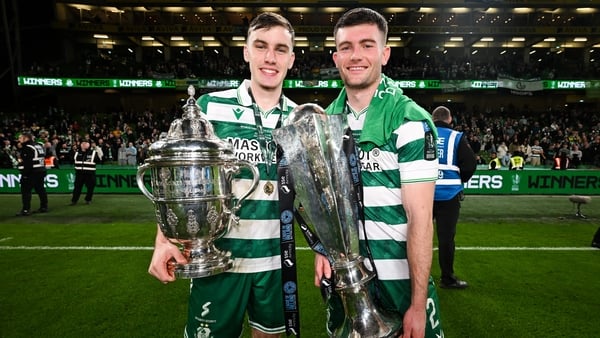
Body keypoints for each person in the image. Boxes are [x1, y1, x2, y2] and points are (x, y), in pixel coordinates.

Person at [148, 12, 296, 338]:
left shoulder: (299, 119)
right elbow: (178, 185)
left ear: (291, 58)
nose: (270, 58)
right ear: (245, 51)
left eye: (280, 49)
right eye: (261, 46)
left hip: (274, 264)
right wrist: (163, 242)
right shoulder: (209, 108)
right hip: (219, 261)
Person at [316, 8, 443, 337]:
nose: (355, 56)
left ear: (385, 54)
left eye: (367, 45)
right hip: (349, 290)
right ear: (335, 57)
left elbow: (420, 218)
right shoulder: (328, 119)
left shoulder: (410, 120)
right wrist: (323, 249)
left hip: (400, 287)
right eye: (346, 47)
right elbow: (330, 207)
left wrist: (417, 305)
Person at [431, 106, 477, 289]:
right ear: (450, 120)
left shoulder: (422, 134)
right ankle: (447, 278)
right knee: (446, 239)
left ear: (432, 119)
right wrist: (459, 180)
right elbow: (470, 164)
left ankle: (413, 278)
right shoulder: (456, 137)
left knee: (418, 236)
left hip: (424, 194)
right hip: (449, 194)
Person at [15, 131, 48, 216]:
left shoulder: (27, 147)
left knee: (26, 191)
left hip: (32, 173)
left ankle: (26, 209)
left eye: (20, 138)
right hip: (40, 171)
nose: (19, 139)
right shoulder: (38, 145)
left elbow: (28, 163)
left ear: (26, 138)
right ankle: (44, 207)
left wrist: (25, 174)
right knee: (41, 190)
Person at [70, 140, 101, 205]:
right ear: (81, 145)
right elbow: (71, 160)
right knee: (77, 188)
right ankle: (74, 201)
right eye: (83, 143)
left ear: (89, 145)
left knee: (90, 187)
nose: (84, 145)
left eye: (86, 143)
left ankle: (88, 199)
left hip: (90, 174)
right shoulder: (76, 153)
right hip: (79, 174)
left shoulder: (93, 153)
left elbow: (99, 160)